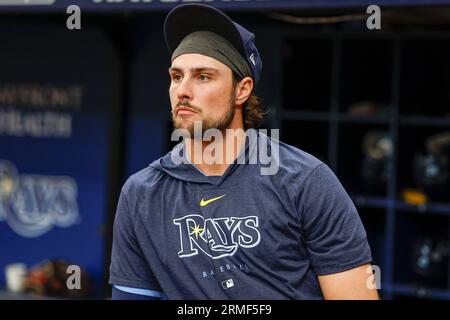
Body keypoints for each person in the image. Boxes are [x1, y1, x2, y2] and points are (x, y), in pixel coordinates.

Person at [109, 3, 379, 300]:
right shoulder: (141, 194)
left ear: (242, 90)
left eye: (203, 77)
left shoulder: (305, 180)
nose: (183, 91)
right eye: (176, 77)